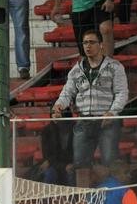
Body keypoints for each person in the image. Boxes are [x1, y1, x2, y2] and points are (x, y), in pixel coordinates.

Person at [51, 29, 128, 168]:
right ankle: (86, 189)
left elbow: (122, 93)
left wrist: (112, 113)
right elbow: (67, 93)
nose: (88, 46)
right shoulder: (76, 70)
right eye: (85, 43)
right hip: (83, 120)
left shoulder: (115, 66)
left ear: (101, 45)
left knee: (109, 162)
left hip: (107, 122)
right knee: (79, 164)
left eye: (92, 42)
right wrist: (59, 105)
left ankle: (110, 189)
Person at [33, 112, 75, 185]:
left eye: (58, 113)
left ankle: (74, 196)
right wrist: (64, 166)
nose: (56, 115)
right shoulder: (47, 131)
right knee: (49, 173)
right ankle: (48, 196)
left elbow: (78, 153)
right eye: (53, 112)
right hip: (54, 164)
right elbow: (48, 157)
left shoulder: (76, 129)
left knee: (73, 173)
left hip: (71, 163)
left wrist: (72, 164)